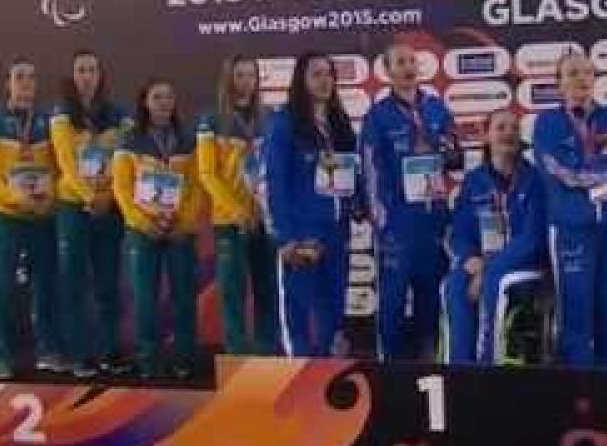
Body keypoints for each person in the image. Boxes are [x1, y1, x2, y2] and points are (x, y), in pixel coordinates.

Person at [360, 42, 461, 361]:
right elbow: (370, 171)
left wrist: (448, 150)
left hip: (433, 219)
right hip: (398, 222)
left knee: (431, 300)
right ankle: (389, 371)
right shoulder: (377, 116)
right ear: (388, 71)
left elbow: (455, 160)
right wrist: (382, 222)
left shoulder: (436, 109)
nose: (406, 68)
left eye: (411, 62)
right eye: (399, 63)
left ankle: (430, 368)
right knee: (391, 302)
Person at [533, 50, 607, 369]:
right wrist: (602, 168)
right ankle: (581, 390)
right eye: (573, 73)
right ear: (559, 83)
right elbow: (557, 169)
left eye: (587, 73)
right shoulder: (547, 122)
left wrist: (592, 169)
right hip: (570, 226)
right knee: (575, 312)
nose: (581, 79)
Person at [0, 58, 64, 380]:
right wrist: (15, 197)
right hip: (6, 216)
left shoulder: (48, 121)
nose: (26, 83)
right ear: (7, 83)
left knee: (45, 285)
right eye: (20, 77)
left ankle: (48, 350)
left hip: (41, 216)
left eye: (32, 77)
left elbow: (58, 166)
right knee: (2, 288)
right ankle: (0, 357)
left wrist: (46, 199)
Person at [266, 52, 360, 357]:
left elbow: (350, 172)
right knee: (300, 313)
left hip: (336, 231)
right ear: (301, 81)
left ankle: (326, 377)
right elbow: (274, 184)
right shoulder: (285, 123)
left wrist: (356, 204)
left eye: (329, 74)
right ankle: (297, 383)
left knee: (331, 310)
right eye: (316, 74)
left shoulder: (339, 123)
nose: (325, 81)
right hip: (301, 233)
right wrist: (286, 237)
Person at [111, 78, 206, 378]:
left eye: (169, 97)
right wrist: (144, 223)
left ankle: (184, 359)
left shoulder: (188, 139)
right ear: (145, 103)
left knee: (184, 297)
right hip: (143, 230)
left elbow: (196, 186)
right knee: (145, 298)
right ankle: (148, 360)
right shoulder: (129, 141)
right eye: (157, 97)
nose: (165, 102)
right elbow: (122, 187)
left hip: (180, 230)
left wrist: (185, 223)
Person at [50, 50, 134, 377]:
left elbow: (125, 158)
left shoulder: (119, 114)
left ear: (100, 75)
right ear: (73, 76)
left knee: (108, 282)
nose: (87, 75)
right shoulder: (60, 113)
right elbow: (66, 161)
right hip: (74, 206)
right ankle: (78, 354)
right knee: (73, 280)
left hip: (109, 206)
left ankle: (109, 351)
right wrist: (90, 196)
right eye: (80, 70)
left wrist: (108, 196)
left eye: (92, 69)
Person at [443, 108, 546, 365]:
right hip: (484, 265)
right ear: (487, 137)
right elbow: (459, 231)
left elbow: (533, 238)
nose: (508, 133)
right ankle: (459, 369)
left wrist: (488, 267)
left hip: (524, 266)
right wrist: (468, 257)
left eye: (514, 128)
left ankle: (487, 367)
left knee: (496, 284)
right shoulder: (474, 181)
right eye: (501, 127)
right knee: (454, 284)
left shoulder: (535, 179)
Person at [197, 55, 279, 356]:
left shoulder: (269, 117)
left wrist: (264, 209)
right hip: (229, 220)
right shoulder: (211, 119)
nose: (246, 82)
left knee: (267, 288)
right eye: (240, 75)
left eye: (251, 75)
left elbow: (275, 169)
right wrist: (238, 211)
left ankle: (268, 352)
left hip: (264, 217)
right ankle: (237, 354)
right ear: (229, 80)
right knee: (232, 291)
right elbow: (207, 174)